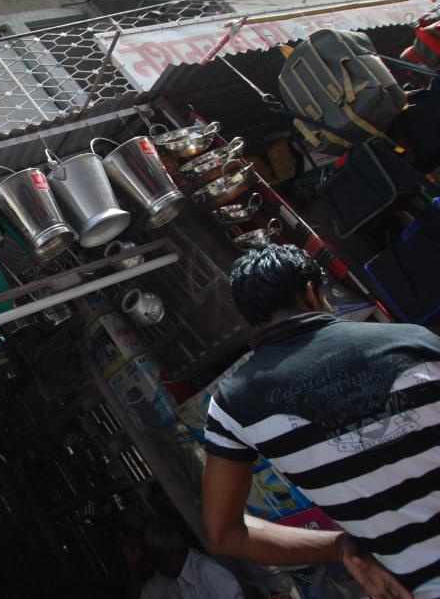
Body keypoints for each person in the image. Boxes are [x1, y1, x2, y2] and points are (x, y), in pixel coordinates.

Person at [202, 244, 440, 599]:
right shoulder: (414, 343)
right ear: (311, 293)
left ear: (251, 319)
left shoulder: (234, 405)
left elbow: (224, 534)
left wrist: (339, 547)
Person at [125, 520, 244, 599]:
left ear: (167, 558)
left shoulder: (207, 571)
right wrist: (132, 566)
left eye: (155, 563)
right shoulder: (166, 578)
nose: (155, 568)